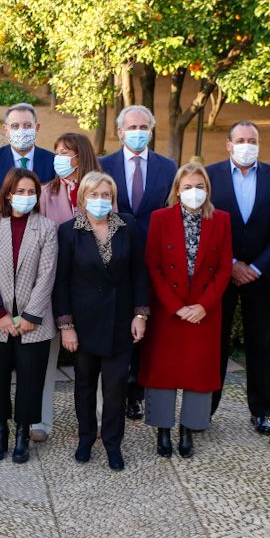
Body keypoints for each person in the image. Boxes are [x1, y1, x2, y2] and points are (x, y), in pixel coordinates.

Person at [53, 172, 148, 472]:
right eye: (94, 195)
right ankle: (85, 440)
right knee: (83, 385)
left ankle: (112, 444)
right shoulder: (69, 231)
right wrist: (66, 325)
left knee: (115, 387)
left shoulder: (128, 226)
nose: (100, 201)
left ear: (113, 198)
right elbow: (62, 281)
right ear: (82, 199)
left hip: (120, 322)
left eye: (106, 195)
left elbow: (139, 273)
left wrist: (140, 315)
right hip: (83, 325)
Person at [205, 121, 270, 436]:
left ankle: (262, 410)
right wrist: (229, 264)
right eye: (240, 139)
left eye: (252, 139)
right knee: (214, 343)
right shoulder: (210, 176)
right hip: (219, 275)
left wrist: (256, 267)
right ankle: (205, 409)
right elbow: (204, 223)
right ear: (228, 144)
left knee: (260, 343)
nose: (246, 144)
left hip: (261, 275)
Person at [141, 163, 232, 460]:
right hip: (170, 310)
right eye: (188, 186)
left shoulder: (221, 220)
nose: (195, 192)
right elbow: (153, 266)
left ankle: (188, 429)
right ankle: (163, 430)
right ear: (177, 190)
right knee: (163, 371)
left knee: (198, 373)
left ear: (208, 190)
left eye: (200, 186)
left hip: (204, 311)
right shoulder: (160, 218)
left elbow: (222, 269)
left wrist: (203, 306)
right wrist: (175, 306)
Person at [0, 168, 57, 464]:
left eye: (30, 192)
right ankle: (0, 431)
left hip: (33, 322)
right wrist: (0, 314)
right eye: (19, 191)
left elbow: (47, 274)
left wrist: (30, 316)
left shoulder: (46, 228)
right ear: (8, 194)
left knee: (30, 381)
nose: (25, 197)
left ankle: (23, 432)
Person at [100, 105, 177, 421]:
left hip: (156, 258)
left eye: (144, 126)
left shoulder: (168, 167)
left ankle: (139, 391)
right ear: (119, 132)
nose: (138, 132)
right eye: (132, 127)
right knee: (121, 326)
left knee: (149, 329)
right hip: (117, 257)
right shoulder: (104, 165)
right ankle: (117, 393)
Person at [33, 131, 101, 443]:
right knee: (44, 359)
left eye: (67, 152)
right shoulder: (46, 192)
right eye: (57, 151)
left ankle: (96, 420)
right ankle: (39, 422)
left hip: (91, 289)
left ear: (81, 156)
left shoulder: (101, 191)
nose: (59, 157)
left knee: (93, 360)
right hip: (53, 285)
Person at [0, 103, 56, 216]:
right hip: (0, 230)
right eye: (15, 126)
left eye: (27, 125)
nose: (21, 131)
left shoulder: (52, 161)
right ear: (6, 130)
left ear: (36, 128)